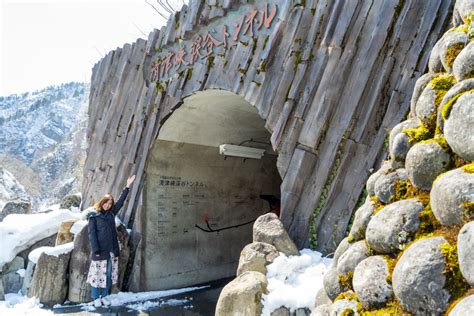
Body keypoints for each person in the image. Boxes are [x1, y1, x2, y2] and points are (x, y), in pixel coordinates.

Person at [86, 174, 136, 307]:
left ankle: (105, 296)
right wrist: (96, 250)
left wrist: (127, 186)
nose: (108, 205)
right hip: (100, 250)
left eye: (110, 203)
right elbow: (92, 234)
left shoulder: (111, 213)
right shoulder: (93, 216)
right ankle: (96, 297)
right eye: (106, 203)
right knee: (97, 275)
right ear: (101, 202)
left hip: (111, 250)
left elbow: (120, 201)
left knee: (108, 274)